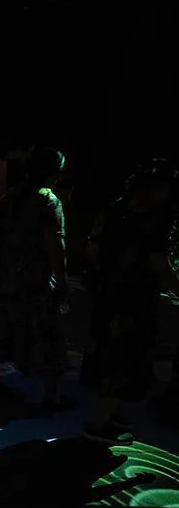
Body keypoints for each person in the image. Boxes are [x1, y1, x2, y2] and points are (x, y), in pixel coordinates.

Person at [82, 159, 179, 444]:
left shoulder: (116, 207)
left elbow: (92, 247)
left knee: (107, 353)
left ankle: (108, 414)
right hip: (135, 300)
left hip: (109, 293)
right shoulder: (154, 218)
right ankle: (98, 425)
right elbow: (160, 265)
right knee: (125, 359)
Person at [0, 148, 69, 409]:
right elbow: (55, 246)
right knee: (47, 333)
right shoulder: (48, 201)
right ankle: (51, 395)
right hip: (35, 279)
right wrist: (61, 281)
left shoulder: (13, 194)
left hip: (7, 274)